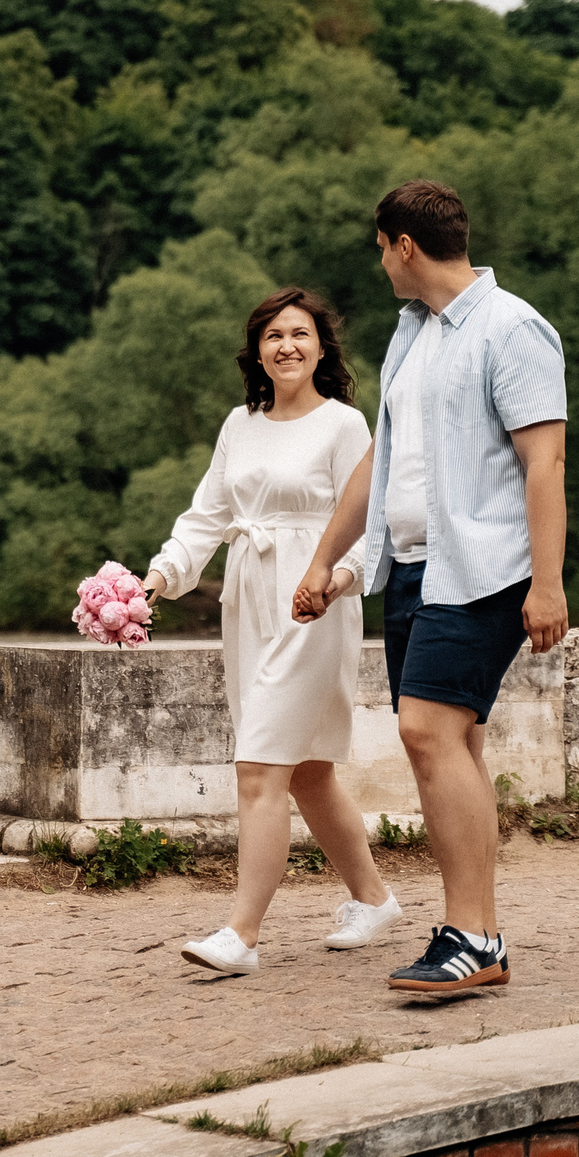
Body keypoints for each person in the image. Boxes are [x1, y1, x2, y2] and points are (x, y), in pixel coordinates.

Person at [298, 178, 566, 996]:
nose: (380, 264)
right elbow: (380, 460)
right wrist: (325, 557)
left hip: (483, 569)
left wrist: (548, 582)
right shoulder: (410, 336)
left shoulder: (513, 328)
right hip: (412, 567)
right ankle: (477, 932)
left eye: (381, 248)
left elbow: (544, 460)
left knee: (425, 732)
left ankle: (470, 935)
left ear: (404, 244)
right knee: (452, 746)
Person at [139, 287, 401, 977]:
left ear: (321, 346)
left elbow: (369, 520)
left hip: (310, 599)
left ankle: (241, 934)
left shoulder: (345, 425)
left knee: (260, 765)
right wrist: (158, 578)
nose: (287, 345)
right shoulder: (240, 422)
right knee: (307, 769)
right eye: (273, 335)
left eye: (300, 333)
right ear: (257, 350)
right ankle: (373, 898)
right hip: (246, 596)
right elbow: (207, 514)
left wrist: (338, 578)